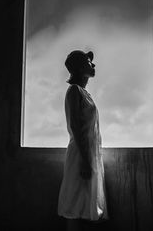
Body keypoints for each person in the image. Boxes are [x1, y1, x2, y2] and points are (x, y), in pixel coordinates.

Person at [58, 50, 108, 231]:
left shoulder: (84, 93)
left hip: (88, 154)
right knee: (75, 205)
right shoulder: (74, 91)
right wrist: (85, 160)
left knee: (85, 204)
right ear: (79, 67)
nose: (93, 65)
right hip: (81, 154)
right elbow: (75, 127)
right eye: (89, 62)